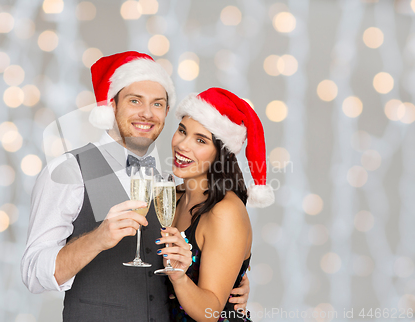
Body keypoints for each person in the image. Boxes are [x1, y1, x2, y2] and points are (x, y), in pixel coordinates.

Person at [21, 52, 251, 321]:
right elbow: (32, 273)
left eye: (157, 103)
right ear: (112, 105)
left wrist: (234, 283)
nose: (146, 113)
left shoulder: (170, 185)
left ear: (166, 112)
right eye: (134, 100)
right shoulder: (68, 171)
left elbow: (211, 255)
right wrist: (97, 239)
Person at [155, 88, 275, 321]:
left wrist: (179, 277)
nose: (183, 145)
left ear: (220, 154)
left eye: (200, 140)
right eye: (182, 131)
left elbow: (211, 311)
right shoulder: (171, 197)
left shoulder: (225, 212)